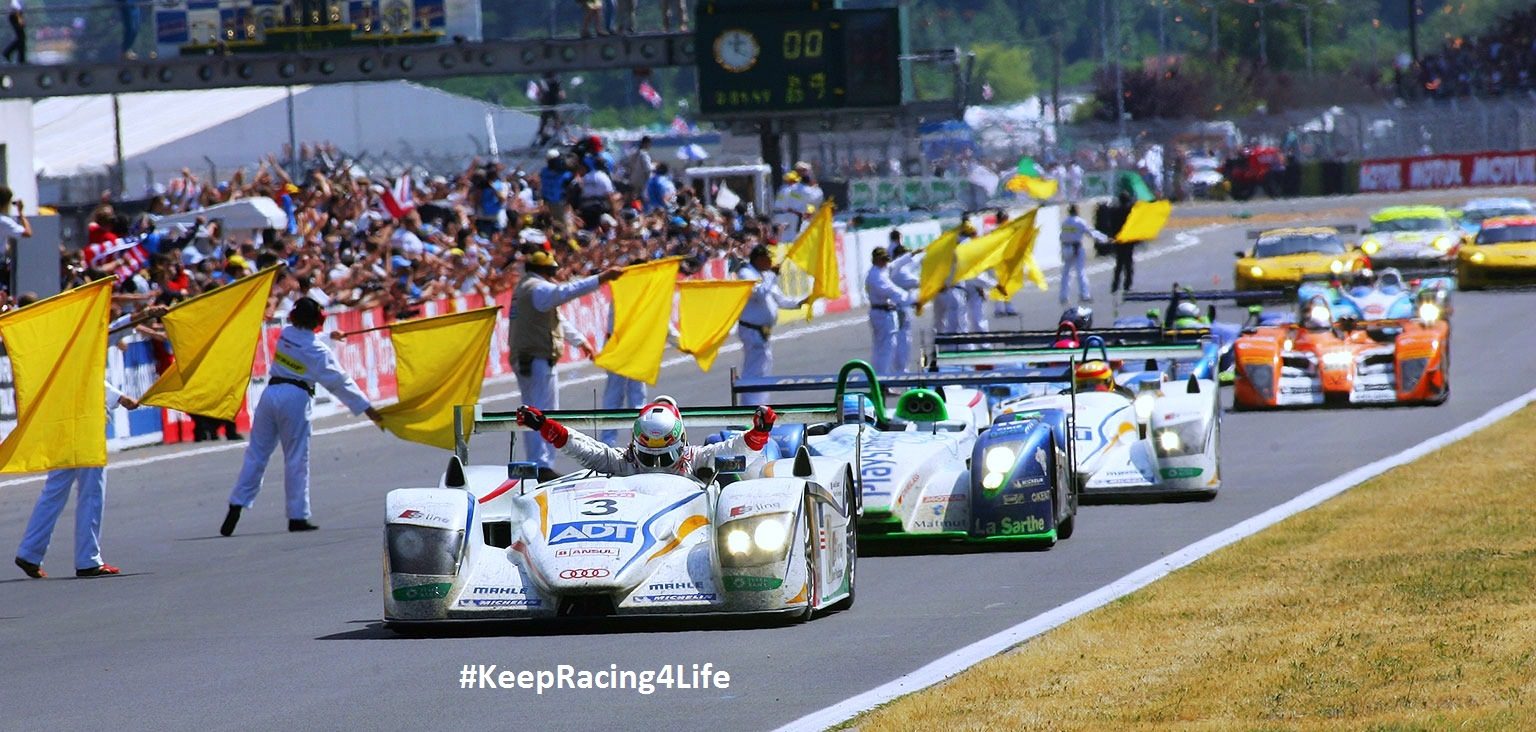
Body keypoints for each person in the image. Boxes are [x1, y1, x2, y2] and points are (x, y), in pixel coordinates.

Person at [12, 303, 163, 578]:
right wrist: (119, 397)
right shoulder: (70, 344)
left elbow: (109, 334)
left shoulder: (60, 341)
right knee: (92, 490)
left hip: (65, 423)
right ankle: (88, 559)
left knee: (55, 489)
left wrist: (141, 315)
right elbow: (86, 375)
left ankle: (30, 551)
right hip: (84, 422)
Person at [220, 298, 382, 537]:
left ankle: (237, 503)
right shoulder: (318, 350)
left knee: (256, 453)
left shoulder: (286, 334)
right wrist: (368, 409)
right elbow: (340, 381)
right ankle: (297, 515)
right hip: (296, 397)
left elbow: (305, 344)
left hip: (270, 393)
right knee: (296, 458)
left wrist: (329, 338)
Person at [510, 251, 623, 478]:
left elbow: (558, 320)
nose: (553, 277)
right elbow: (566, 292)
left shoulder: (526, 288)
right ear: (544, 271)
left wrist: (580, 341)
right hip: (536, 359)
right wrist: (602, 278)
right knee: (539, 411)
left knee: (540, 409)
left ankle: (540, 463)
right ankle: (540, 464)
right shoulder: (538, 289)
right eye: (551, 272)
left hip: (531, 358)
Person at [515, 398, 777, 479]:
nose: (656, 464)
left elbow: (736, 449)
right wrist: (544, 425)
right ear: (635, 444)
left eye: (663, 456)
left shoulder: (697, 459)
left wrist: (760, 433)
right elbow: (583, 448)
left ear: (680, 443)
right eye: (648, 456)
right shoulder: (622, 460)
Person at [736, 244, 805, 405]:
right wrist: (772, 275)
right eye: (767, 259)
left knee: (764, 371)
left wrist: (798, 303)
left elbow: (777, 298)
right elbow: (759, 294)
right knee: (753, 371)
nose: (771, 262)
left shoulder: (765, 275)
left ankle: (761, 406)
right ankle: (749, 408)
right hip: (751, 329)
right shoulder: (746, 274)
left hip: (763, 331)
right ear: (759, 259)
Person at [865, 246, 914, 374]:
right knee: (885, 350)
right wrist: (913, 300)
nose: (886, 263)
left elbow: (894, 265)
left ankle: (880, 380)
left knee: (883, 348)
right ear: (876, 260)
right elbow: (894, 292)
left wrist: (911, 255)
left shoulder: (881, 270)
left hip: (885, 312)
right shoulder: (876, 277)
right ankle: (882, 382)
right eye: (883, 260)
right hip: (882, 313)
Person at [1059, 204, 1108, 305]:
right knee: (1080, 272)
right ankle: (1084, 294)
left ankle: (1064, 296)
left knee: (1066, 273)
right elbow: (1091, 233)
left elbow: (1061, 236)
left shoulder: (1064, 222)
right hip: (1076, 247)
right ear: (1077, 211)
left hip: (1066, 247)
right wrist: (1105, 238)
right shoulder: (1080, 222)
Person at [932, 222, 974, 335]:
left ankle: (939, 349)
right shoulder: (957, 252)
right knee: (959, 326)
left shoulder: (936, 252)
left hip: (938, 291)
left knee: (939, 324)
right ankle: (959, 350)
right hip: (954, 290)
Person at [888, 233, 921, 372]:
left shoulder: (895, 270)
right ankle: (902, 370)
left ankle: (901, 368)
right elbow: (917, 282)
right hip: (901, 309)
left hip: (898, 308)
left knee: (901, 339)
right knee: (903, 340)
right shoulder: (901, 273)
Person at [3, 0, 24, 65]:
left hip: (17, 15)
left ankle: (21, 60)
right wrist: (20, 18)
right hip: (15, 16)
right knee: (21, 37)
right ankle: (6, 53)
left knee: (21, 38)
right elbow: (16, 6)